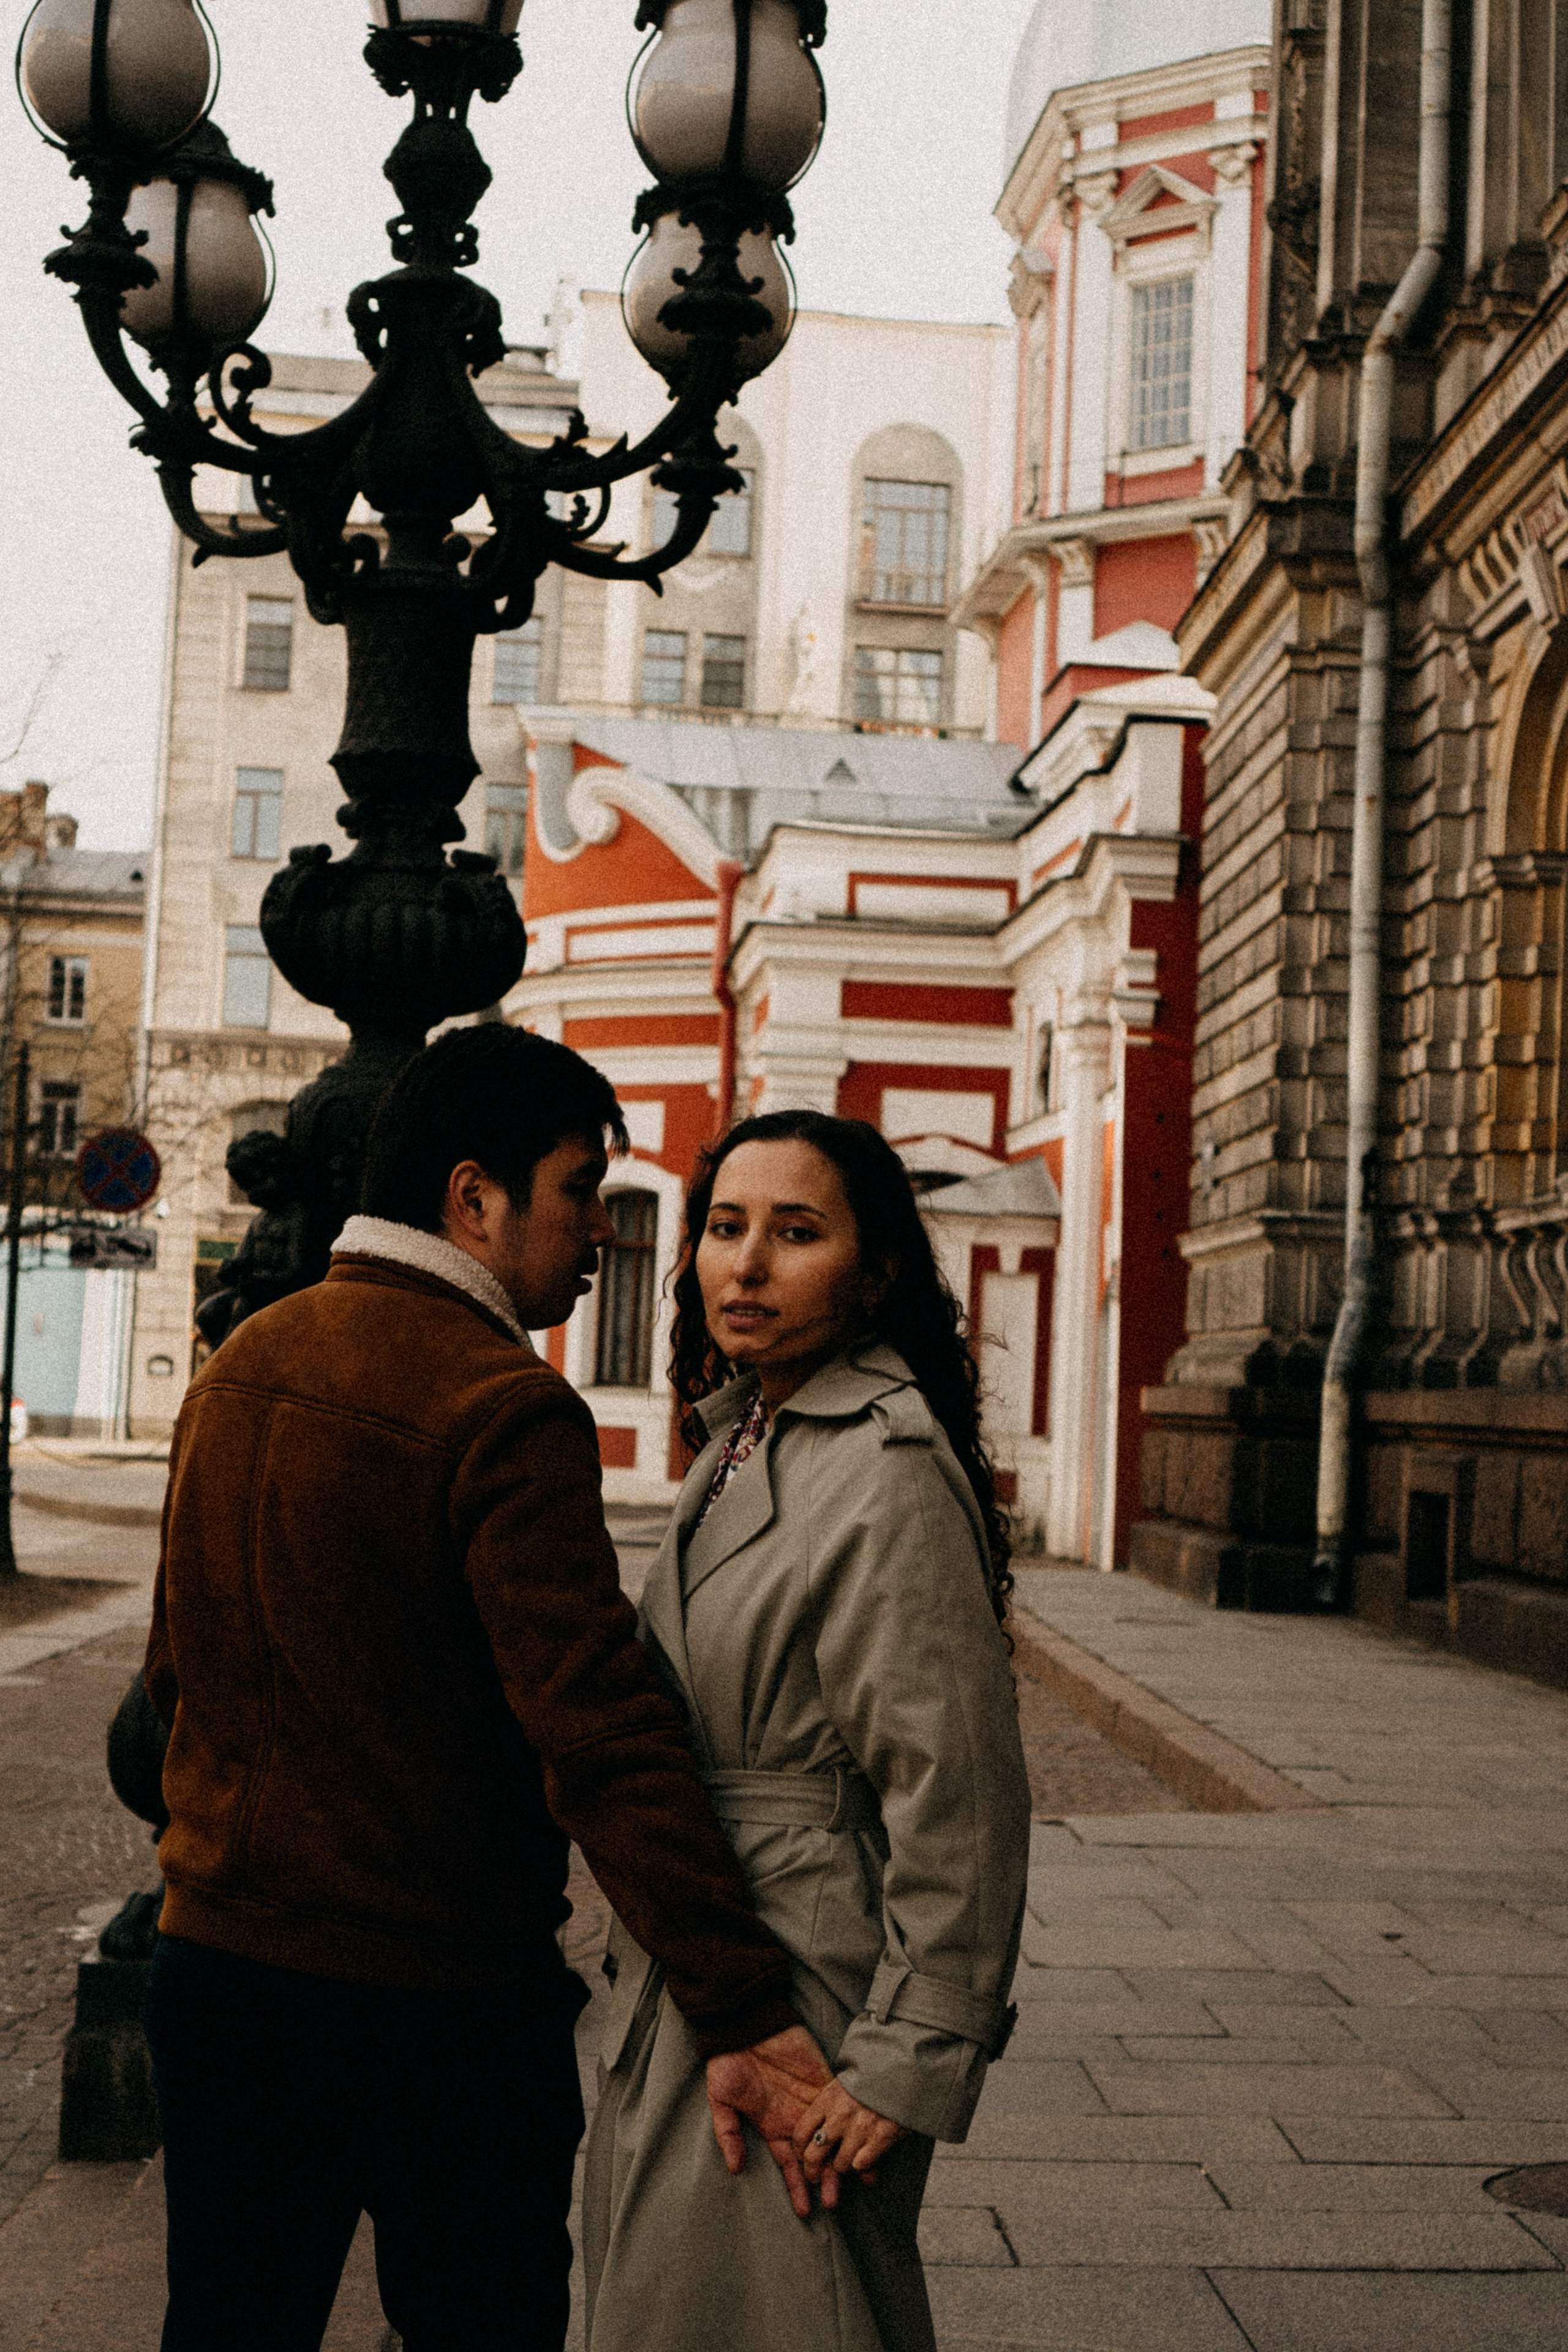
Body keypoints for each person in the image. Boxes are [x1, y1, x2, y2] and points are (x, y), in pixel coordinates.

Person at [141, 1027, 838, 2352]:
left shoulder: (242, 1361)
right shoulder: (500, 1404)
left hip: (216, 1971)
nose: (594, 1233)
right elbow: (594, 1726)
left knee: (227, 2324)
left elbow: (177, 1673)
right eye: (576, 1189)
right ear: (473, 1197)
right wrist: (740, 2003)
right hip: (432, 2003)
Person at [582, 1110, 1032, 2352]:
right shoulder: (741, 1434)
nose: (746, 1263)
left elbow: (957, 1785)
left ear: (873, 1271)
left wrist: (911, 2053)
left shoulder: (882, 1464)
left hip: (808, 1980)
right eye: (724, 1228)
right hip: (703, 1953)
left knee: (787, 2313)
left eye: (796, 1233)